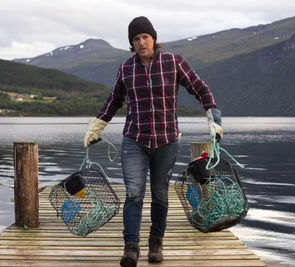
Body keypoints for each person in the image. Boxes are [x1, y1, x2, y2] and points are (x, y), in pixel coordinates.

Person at [84, 16, 223, 267]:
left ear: (154, 38)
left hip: (166, 141)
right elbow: (114, 100)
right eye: (136, 39)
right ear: (132, 43)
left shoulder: (174, 62)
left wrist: (213, 116)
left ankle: (156, 243)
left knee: (160, 195)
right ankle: (131, 247)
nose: (141, 42)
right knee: (134, 193)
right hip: (134, 140)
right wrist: (97, 126)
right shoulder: (126, 68)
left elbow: (200, 88)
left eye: (145, 37)